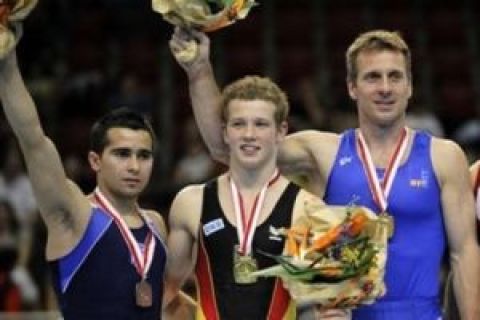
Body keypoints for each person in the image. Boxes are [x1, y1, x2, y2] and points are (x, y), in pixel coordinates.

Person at [169, 28, 480, 319]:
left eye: (394, 77)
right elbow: (227, 148)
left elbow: (464, 253)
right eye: (372, 77)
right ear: (352, 87)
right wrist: (199, 72)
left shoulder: (443, 156)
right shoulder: (323, 153)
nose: (385, 88)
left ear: (409, 86)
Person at [0, 50, 171, 319]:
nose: (135, 166)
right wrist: (7, 63)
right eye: (122, 154)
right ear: (95, 160)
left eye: (144, 156)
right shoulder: (75, 215)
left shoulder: (156, 225)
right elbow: (33, 140)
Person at [164, 75, 350, 319]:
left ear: (281, 131)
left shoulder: (307, 209)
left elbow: (331, 303)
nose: (249, 134)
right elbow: (166, 290)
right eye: (239, 124)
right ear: (225, 132)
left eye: (261, 124)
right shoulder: (191, 203)